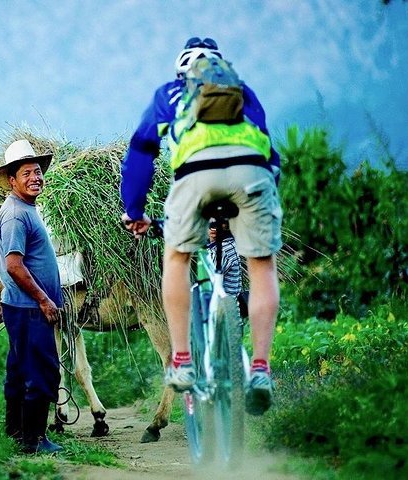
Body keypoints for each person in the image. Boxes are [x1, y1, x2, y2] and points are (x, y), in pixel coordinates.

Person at [120, 37, 282, 416]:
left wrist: (135, 209)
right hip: (251, 174)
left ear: (183, 70)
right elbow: (270, 153)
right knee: (261, 265)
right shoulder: (243, 92)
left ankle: (182, 361)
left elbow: (141, 150)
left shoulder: (171, 93)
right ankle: (259, 368)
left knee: (176, 257)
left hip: (195, 175)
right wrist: (262, 197)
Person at [0, 139, 64, 453]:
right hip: (29, 308)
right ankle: (34, 440)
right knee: (41, 371)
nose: (35, 177)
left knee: (21, 369)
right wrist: (44, 300)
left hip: (25, 307)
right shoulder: (15, 215)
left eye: (37, 171)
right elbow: (14, 265)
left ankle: (17, 432)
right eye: (26, 173)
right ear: (12, 180)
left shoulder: (25, 208)